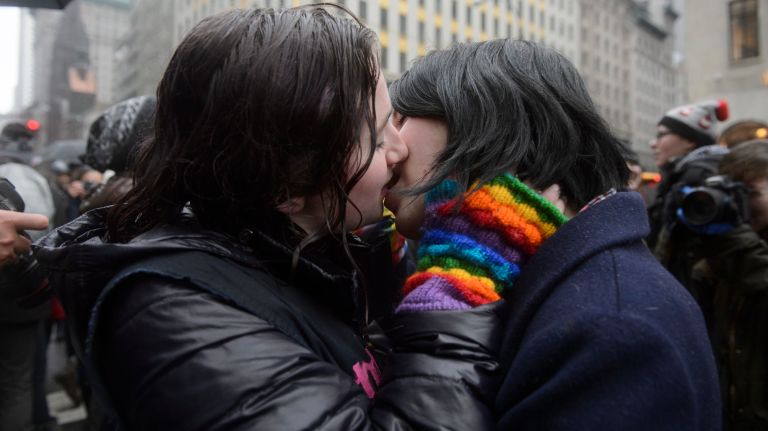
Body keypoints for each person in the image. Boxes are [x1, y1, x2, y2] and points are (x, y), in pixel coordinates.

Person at [34, 7, 502, 430]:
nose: (399, 151)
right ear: (285, 185)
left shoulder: (298, 252)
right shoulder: (177, 318)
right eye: (378, 138)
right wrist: (456, 288)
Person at [387, 39, 720, 429]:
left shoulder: (613, 329)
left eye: (400, 120)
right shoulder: (563, 282)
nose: (390, 147)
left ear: (485, 123)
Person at [687, 139, 768, 430]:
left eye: (750, 193)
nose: (737, 204)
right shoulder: (723, 256)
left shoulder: (738, 247)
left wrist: (735, 242)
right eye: (731, 193)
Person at [647, 99, 730, 295]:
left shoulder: (698, 177)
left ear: (690, 140)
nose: (653, 143)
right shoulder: (688, 173)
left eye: (661, 135)